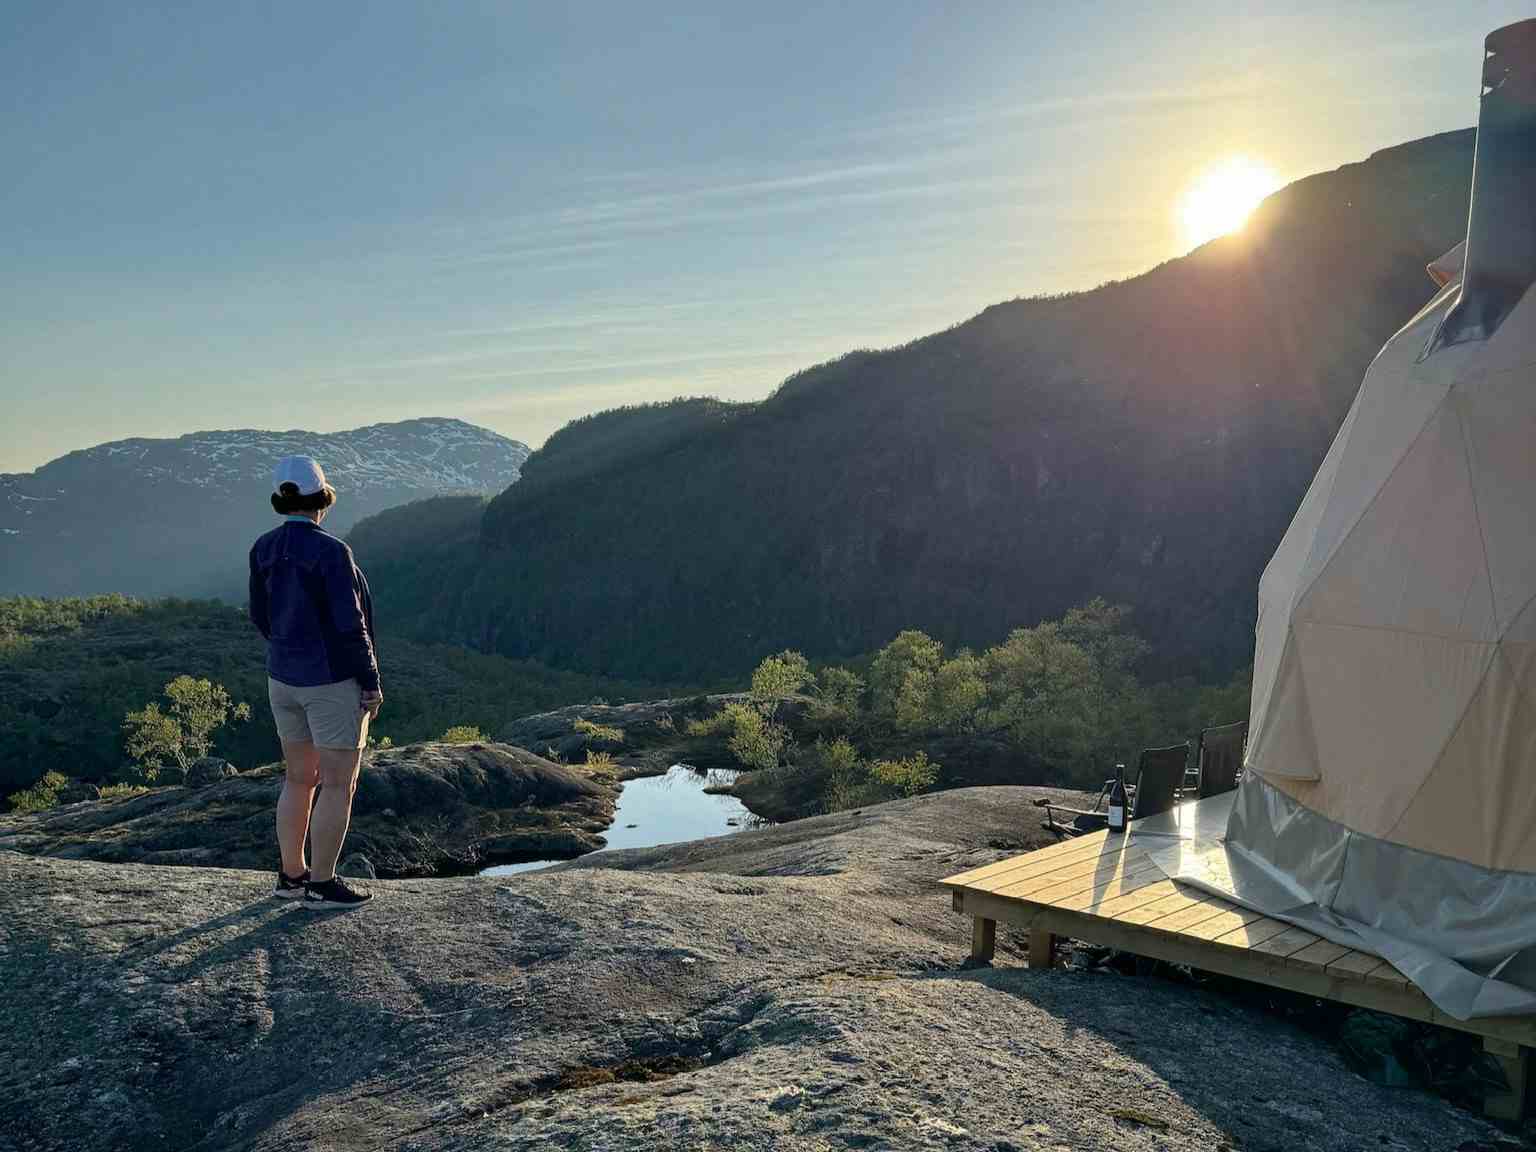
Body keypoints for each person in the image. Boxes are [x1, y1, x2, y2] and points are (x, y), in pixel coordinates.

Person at [249, 456, 383, 909]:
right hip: (330, 681)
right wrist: (370, 681)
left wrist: (288, 648)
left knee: (299, 778)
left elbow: (261, 617)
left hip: (282, 679)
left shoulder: (263, 548)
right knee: (338, 782)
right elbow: (351, 626)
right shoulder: (332, 552)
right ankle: (322, 884)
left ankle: (291, 876)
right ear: (321, 499)